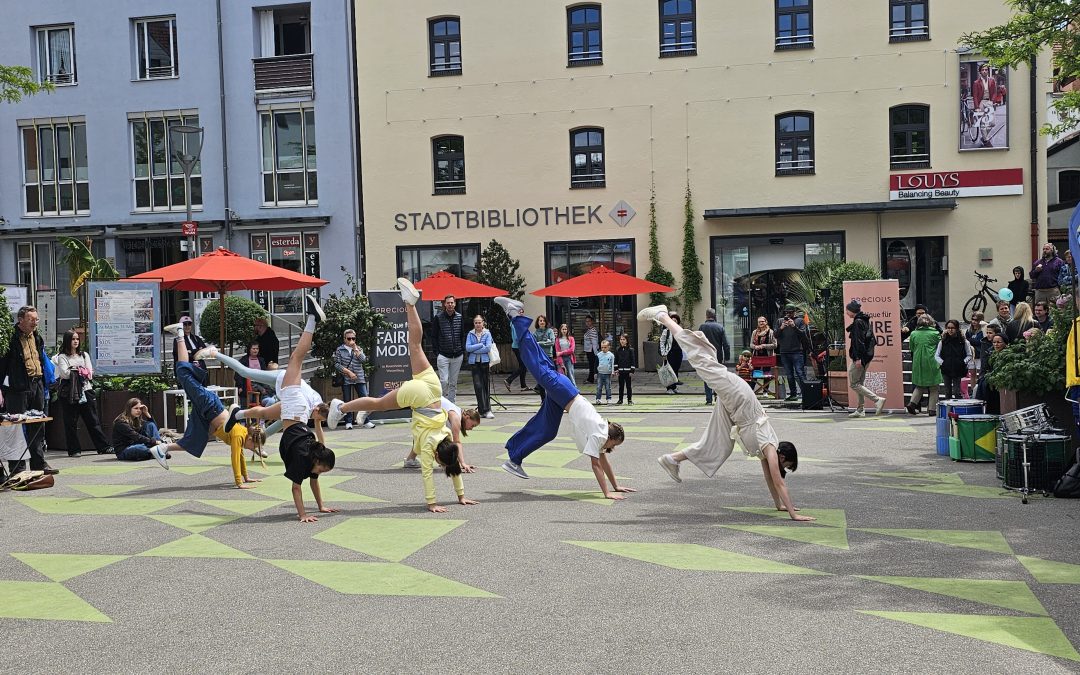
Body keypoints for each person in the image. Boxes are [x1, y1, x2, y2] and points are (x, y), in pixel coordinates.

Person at [641, 304, 813, 522]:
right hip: (740, 398)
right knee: (702, 360)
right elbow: (778, 481)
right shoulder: (770, 447)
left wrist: (779, 505)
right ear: (782, 456)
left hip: (736, 409)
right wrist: (793, 515)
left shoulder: (766, 453)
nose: (782, 469)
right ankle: (663, 316)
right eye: (786, 465)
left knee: (719, 445)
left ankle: (673, 459)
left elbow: (770, 480)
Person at [328, 280, 478, 513]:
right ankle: (341, 408)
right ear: (439, 455)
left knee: (415, 345)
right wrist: (432, 503)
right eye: (441, 461)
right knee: (378, 403)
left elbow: (454, 466)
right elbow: (428, 474)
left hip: (434, 388)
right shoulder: (431, 447)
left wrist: (461, 496)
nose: (439, 464)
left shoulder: (446, 434)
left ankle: (410, 304)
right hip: (419, 397)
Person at [493, 297, 632, 501]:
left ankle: (514, 458)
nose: (612, 449)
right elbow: (596, 465)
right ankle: (515, 316)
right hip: (564, 393)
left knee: (548, 430)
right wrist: (607, 493)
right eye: (615, 445)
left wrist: (616, 485)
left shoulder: (601, 433)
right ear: (611, 438)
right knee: (533, 360)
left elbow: (604, 463)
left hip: (564, 396)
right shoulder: (599, 436)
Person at [223, 295, 337, 521]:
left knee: (265, 412)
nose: (320, 474)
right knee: (296, 358)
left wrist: (321, 507)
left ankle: (238, 414)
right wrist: (303, 515)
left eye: (322, 472)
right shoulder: (305, 460)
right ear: (317, 462)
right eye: (322, 470)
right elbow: (297, 489)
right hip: (296, 410)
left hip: (297, 413)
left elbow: (308, 485)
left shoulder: (310, 462)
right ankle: (312, 318)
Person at [149, 323, 280, 493]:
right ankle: (180, 332)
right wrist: (239, 482)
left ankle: (162, 448)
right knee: (183, 372)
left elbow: (239, 456)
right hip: (209, 405)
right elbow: (234, 458)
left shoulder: (241, 436)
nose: (252, 450)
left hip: (207, 411)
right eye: (254, 447)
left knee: (194, 442)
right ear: (250, 440)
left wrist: (247, 477)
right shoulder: (239, 436)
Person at [0, 306, 57, 475]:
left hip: (36, 384)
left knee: (37, 424)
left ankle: (39, 463)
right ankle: (17, 467)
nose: (35, 323)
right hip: (17, 388)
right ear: (21, 320)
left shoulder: (37, 337)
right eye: (31, 319)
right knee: (16, 427)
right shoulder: (10, 337)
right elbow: (3, 364)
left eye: (36, 319)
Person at [54, 329, 112, 457]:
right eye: (73, 339)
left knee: (93, 420)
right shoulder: (62, 356)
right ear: (67, 341)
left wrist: (75, 370)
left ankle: (103, 447)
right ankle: (74, 450)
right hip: (69, 392)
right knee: (70, 422)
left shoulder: (84, 355)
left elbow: (90, 373)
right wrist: (81, 371)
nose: (75, 341)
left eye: (77, 339)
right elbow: (64, 373)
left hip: (86, 390)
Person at [403, 396, 482, 472]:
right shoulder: (456, 417)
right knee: (434, 436)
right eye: (472, 425)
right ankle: (440, 460)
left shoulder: (457, 412)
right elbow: (456, 442)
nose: (471, 428)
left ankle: (411, 459)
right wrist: (463, 463)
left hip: (426, 402)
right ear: (467, 417)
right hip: (426, 402)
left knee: (432, 434)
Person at [844, 299, 885, 418]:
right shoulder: (865, 320)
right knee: (859, 383)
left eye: (847, 310)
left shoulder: (858, 322)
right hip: (867, 356)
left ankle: (877, 399)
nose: (846, 312)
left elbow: (858, 342)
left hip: (861, 357)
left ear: (852, 311)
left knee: (854, 384)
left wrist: (857, 358)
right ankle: (860, 409)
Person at [333, 328, 373, 429]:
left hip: (359, 377)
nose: (351, 340)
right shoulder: (340, 349)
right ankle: (348, 422)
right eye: (349, 338)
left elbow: (363, 360)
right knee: (347, 400)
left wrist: (356, 349)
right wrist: (348, 372)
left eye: (353, 338)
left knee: (364, 398)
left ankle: (366, 421)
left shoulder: (358, 348)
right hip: (346, 378)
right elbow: (337, 364)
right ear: (344, 339)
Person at [432, 293, 466, 403]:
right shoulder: (438, 318)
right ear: (444, 304)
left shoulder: (460, 317)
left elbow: (462, 334)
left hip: (457, 355)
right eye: (448, 303)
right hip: (443, 355)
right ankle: (442, 403)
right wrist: (437, 352)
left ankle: (452, 404)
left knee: (453, 383)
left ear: (455, 304)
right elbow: (434, 336)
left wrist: (462, 349)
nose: (450, 304)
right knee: (444, 381)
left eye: (452, 302)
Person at [906, 314, 942, 416]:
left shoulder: (913, 334)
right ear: (931, 323)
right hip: (932, 360)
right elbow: (940, 348)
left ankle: (912, 403)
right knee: (934, 387)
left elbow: (911, 348)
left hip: (918, 361)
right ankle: (931, 410)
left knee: (920, 384)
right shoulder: (935, 333)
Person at [774, 306, 811, 401]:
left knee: (799, 373)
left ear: (794, 312)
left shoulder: (800, 321)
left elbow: (803, 334)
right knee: (789, 374)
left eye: (790, 313)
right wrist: (781, 328)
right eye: (787, 312)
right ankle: (793, 394)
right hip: (784, 351)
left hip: (797, 351)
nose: (788, 315)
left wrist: (794, 326)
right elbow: (775, 335)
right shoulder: (780, 321)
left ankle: (806, 394)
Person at [112, 398, 167, 462]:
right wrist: (155, 442)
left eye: (140, 408)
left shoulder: (137, 420)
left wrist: (146, 413)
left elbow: (154, 428)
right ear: (129, 409)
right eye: (136, 408)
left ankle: (155, 451)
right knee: (139, 448)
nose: (139, 410)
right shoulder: (120, 422)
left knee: (150, 424)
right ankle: (156, 452)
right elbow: (136, 436)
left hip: (139, 444)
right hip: (125, 450)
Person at [699, 308, 732, 406]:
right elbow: (726, 344)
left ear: (706, 316)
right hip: (717, 356)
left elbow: (698, 342)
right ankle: (717, 396)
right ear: (714, 316)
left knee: (707, 376)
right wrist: (727, 356)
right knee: (718, 376)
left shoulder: (702, 327)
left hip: (705, 355)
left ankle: (708, 399)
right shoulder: (720, 327)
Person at [935, 319, 974, 400]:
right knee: (947, 391)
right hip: (946, 369)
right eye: (948, 328)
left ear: (957, 329)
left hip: (958, 369)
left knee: (957, 391)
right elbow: (937, 355)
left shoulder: (963, 341)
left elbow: (969, 355)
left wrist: (962, 362)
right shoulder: (943, 341)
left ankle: (958, 409)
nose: (950, 330)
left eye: (952, 328)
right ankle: (948, 410)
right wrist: (943, 363)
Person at [465, 314, 494, 419]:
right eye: (476, 322)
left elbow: (488, 348)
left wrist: (475, 349)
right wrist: (480, 345)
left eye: (479, 322)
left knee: (485, 386)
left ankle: (488, 410)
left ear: (483, 323)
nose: (478, 324)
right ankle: (482, 410)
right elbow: (468, 348)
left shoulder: (487, 333)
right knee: (478, 386)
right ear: (474, 324)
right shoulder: (470, 334)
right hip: (474, 363)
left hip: (484, 362)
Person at [235, 342, 275, 409]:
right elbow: (238, 373)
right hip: (246, 386)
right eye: (253, 349)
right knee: (245, 408)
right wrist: (240, 386)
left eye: (257, 348)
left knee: (256, 408)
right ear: (249, 349)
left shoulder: (261, 360)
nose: (255, 350)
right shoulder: (244, 360)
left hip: (260, 386)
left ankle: (256, 419)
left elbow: (265, 374)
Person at [977, 332, 1008, 414]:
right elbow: (984, 369)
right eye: (994, 342)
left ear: (1005, 343)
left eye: (999, 342)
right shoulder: (989, 353)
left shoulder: (1009, 354)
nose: (996, 344)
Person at [659, 312, 685, 394]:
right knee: (669, 371)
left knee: (676, 370)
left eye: (675, 321)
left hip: (678, 353)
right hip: (669, 353)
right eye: (672, 320)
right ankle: (669, 388)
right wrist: (663, 353)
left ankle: (674, 387)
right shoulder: (666, 331)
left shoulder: (679, 330)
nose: (674, 322)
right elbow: (662, 342)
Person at [504, 314, 528, 393]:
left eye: (522, 312)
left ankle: (523, 386)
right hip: (518, 347)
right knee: (523, 366)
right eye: (519, 312)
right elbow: (516, 337)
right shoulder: (515, 324)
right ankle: (508, 380)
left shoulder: (518, 323)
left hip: (519, 347)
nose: (521, 313)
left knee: (522, 366)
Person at [614, 333, 636, 405]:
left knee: (628, 386)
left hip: (628, 371)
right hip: (620, 371)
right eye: (621, 339)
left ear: (627, 340)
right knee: (621, 386)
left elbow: (633, 360)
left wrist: (632, 371)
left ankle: (629, 400)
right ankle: (620, 400)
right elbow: (616, 360)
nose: (622, 341)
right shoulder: (618, 349)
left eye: (624, 339)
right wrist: (616, 369)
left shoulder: (630, 350)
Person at [555, 322, 577, 387]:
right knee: (562, 375)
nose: (564, 331)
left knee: (570, 374)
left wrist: (561, 352)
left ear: (567, 330)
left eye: (565, 329)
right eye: (563, 329)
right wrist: (561, 363)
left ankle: (575, 389)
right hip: (561, 359)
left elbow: (571, 350)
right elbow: (557, 352)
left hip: (569, 358)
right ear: (560, 330)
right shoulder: (557, 340)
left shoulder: (571, 339)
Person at [595, 339, 614, 405]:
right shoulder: (598, 355)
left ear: (608, 347)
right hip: (600, 373)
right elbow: (596, 364)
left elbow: (612, 364)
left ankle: (609, 399)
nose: (603, 349)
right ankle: (598, 399)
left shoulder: (611, 355)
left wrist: (612, 372)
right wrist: (595, 372)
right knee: (599, 387)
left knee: (608, 387)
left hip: (607, 373)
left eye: (605, 347)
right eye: (602, 347)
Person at [582, 315, 600, 384]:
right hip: (589, 350)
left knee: (592, 365)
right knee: (591, 365)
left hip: (592, 351)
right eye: (586, 321)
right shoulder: (589, 330)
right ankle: (591, 378)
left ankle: (591, 379)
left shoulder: (592, 330)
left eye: (589, 321)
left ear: (592, 321)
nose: (587, 323)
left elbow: (594, 342)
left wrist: (596, 353)